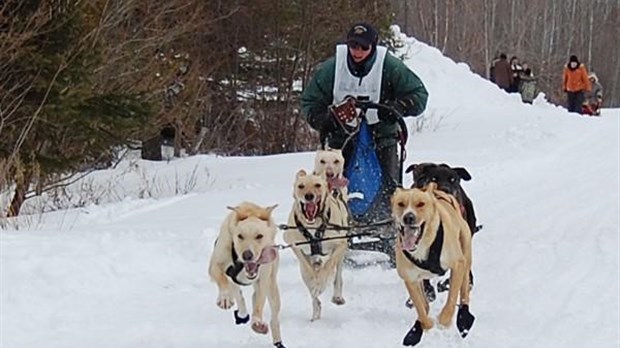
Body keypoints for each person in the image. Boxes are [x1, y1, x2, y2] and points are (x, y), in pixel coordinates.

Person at [300, 22, 428, 220]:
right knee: (334, 184)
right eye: (353, 46)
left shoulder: (390, 66)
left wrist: (399, 106)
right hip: (340, 140)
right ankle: (337, 224)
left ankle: (385, 227)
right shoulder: (333, 67)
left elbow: (419, 95)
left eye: (363, 47)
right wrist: (321, 119)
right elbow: (309, 101)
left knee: (388, 187)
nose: (357, 52)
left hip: (382, 137)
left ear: (373, 46)